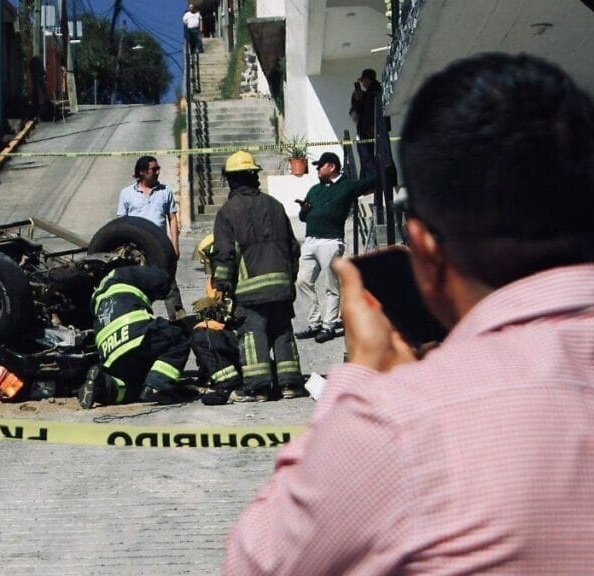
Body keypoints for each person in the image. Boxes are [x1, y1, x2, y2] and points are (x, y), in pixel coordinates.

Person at [224, 53, 594, 574]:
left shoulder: (400, 425)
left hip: (295, 275)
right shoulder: (301, 195)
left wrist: (362, 380)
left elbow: (259, 562)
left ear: (423, 246)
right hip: (298, 264)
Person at [212, 151, 303, 402]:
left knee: (253, 334)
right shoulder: (275, 205)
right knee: (282, 331)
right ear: (254, 176)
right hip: (281, 285)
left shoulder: (228, 212)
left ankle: (257, 387)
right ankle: (290, 385)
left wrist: (221, 287)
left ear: (231, 180)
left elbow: (225, 254)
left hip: (251, 289)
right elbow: (293, 248)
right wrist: (289, 279)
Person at [77, 265, 191, 409]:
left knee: (133, 387)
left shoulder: (96, 296)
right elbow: (164, 279)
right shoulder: (121, 272)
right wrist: (177, 315)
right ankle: (158, 386)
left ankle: (103, 386)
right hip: (133, 330)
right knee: (179, 335)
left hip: (109, 353)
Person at [294, 151, 374, 343]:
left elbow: (369, 182)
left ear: (331, 166)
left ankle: (329, 325)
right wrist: (304, 210)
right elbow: (303, 217)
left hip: (331, 241)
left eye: (320, 166)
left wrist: (386, 170)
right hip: (311, 241)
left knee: (331, 286)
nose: (317, 170)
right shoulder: (314, 189)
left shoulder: (347, 186)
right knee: (302, 281)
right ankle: (315, 323)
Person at [117, 156, 186, 320]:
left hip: (160, 248)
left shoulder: (165, 192)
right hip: (136, 252)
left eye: (158, 168)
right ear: (142, 172)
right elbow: (121, 223)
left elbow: (173, 219)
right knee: (137, 288)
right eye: (153, 169)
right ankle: (138, 321)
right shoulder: (127, 194)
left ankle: (178, 321)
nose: (157, 172)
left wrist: (175, 246)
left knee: (169, 285)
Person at [188, 234, 243, 406]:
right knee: (189, 327)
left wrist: (215, 305)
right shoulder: (214, 280)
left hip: (239, 335)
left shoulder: (237, 276)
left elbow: (235, 314)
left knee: (202, 334)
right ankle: (208, 374)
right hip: (226, 332)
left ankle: (227, 381)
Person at [349, 68, 381, 178]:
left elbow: (369, 112)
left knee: (368, 158)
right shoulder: (371, 92)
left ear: (367, 79)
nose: (363, 83)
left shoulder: (373, 92)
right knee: (368, 159)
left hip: (369, 131)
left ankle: (371, 182)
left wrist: (369, 126)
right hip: (369, 130)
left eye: (363, 80)